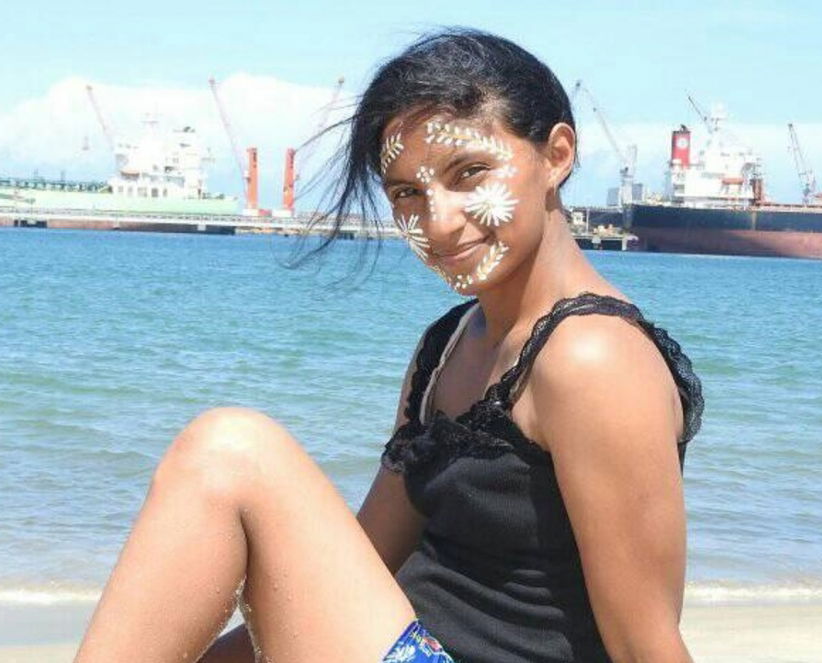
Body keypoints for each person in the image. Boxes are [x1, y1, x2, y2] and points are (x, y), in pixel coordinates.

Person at [72, 28, 704, 663]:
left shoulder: (594, 357)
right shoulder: (448, 344)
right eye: (407, 193)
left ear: (557, 155)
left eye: (470, 174)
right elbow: (365, 565)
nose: (439, 222)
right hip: (406, 644)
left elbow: (645, 643)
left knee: (229, 449)